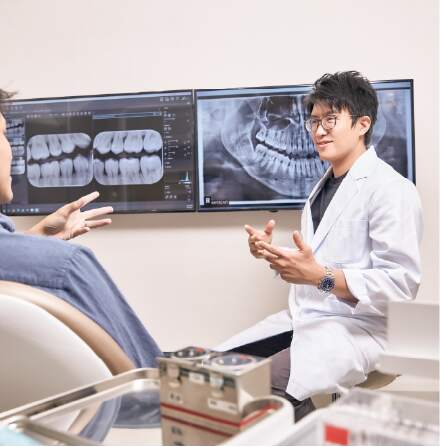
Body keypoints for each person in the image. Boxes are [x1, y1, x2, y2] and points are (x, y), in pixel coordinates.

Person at [216, 71, 423, 421]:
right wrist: (274, 254)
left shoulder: (392, 190)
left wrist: (319, 277)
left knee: (267, 391)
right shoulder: (320, 189)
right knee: (216, 369)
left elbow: (399, 287)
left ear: (362, 124)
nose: (319, 130)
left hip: (359, 328)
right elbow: (320, 260)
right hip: (307, 319)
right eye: (314, 121)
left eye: (331, 119)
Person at [0, 88, 162, 367]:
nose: (11, 149)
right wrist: (37, 256)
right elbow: (148, 378)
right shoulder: (66, 267)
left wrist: (30, 242)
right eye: (3, 134)